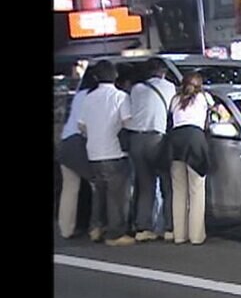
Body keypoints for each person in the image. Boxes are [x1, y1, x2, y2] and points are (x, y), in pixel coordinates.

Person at [77, 60, 134, 246]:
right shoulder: (121, 97)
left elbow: (81, 126)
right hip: (114, 153)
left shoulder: (88, 98)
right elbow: (127, 123)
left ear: (95, 77)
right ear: (115, 75)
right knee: (117, 196)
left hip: (93, 152)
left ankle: (96, 228)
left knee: (99, 193)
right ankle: (115, 234)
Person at [126, 58, 178, 243]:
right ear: (163, 71)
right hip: (157, 139)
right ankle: (170, 228)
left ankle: (143, 228)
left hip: (136, 140)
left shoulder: (137, 89)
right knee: (167, 185)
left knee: (145, 185)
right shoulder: (170, 87)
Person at [163, 72, 215, 245]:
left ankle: (179, 235)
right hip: (194, 141)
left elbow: (170, 119)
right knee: (196, 190)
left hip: (175, 142)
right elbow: (221, 114)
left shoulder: (174, 100)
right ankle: (196, 236)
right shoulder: (204, 98)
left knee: (178, 191)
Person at [56, 68, 98, 239]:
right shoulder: (94, 96)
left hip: (65, 141)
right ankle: (97, 225)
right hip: (79, 143)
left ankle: (66, 229)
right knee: (98, 184)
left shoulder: (80, 94)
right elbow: (87, 126)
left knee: (70, 188)